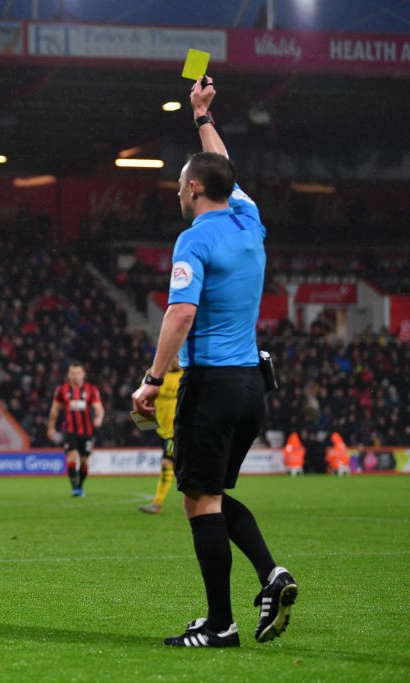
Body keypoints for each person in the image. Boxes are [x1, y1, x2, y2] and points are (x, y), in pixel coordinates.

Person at [131, 75, 297, 648]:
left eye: (181, 182)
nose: (177, 190)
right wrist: (201, 115)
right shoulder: (247, 220)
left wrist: (152, 381)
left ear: (195, 187)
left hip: (212, 383)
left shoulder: (195, 240)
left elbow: (179, 315)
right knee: (214, 495)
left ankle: (221, 623)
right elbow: (223, 169)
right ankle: (271, 575)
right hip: (252, 384)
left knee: (198, 500)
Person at [47, 361, 104, 497]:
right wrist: (51, 427)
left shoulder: (91, 390)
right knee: (71, 457)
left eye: (78, 373)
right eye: (72, 373)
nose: (75, 376)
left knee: (84, 460)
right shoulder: (62, 390)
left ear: (83, 374)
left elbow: (98, 408)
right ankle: (74, 488)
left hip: (87, 431)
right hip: (70, 430)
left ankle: (80, 485)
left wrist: (99, 418)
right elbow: (55, 409)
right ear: (68, 375)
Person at [139, 356, 183, 514]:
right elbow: (141, 395)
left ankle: (157, 504)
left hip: (178, 430)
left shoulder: (186, 374)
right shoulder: (155, 374)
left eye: (179, 356)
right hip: (160, 429)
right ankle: (200, 500)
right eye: (174, 356)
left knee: (166, 463)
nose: (176, 360)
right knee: (181, 469)